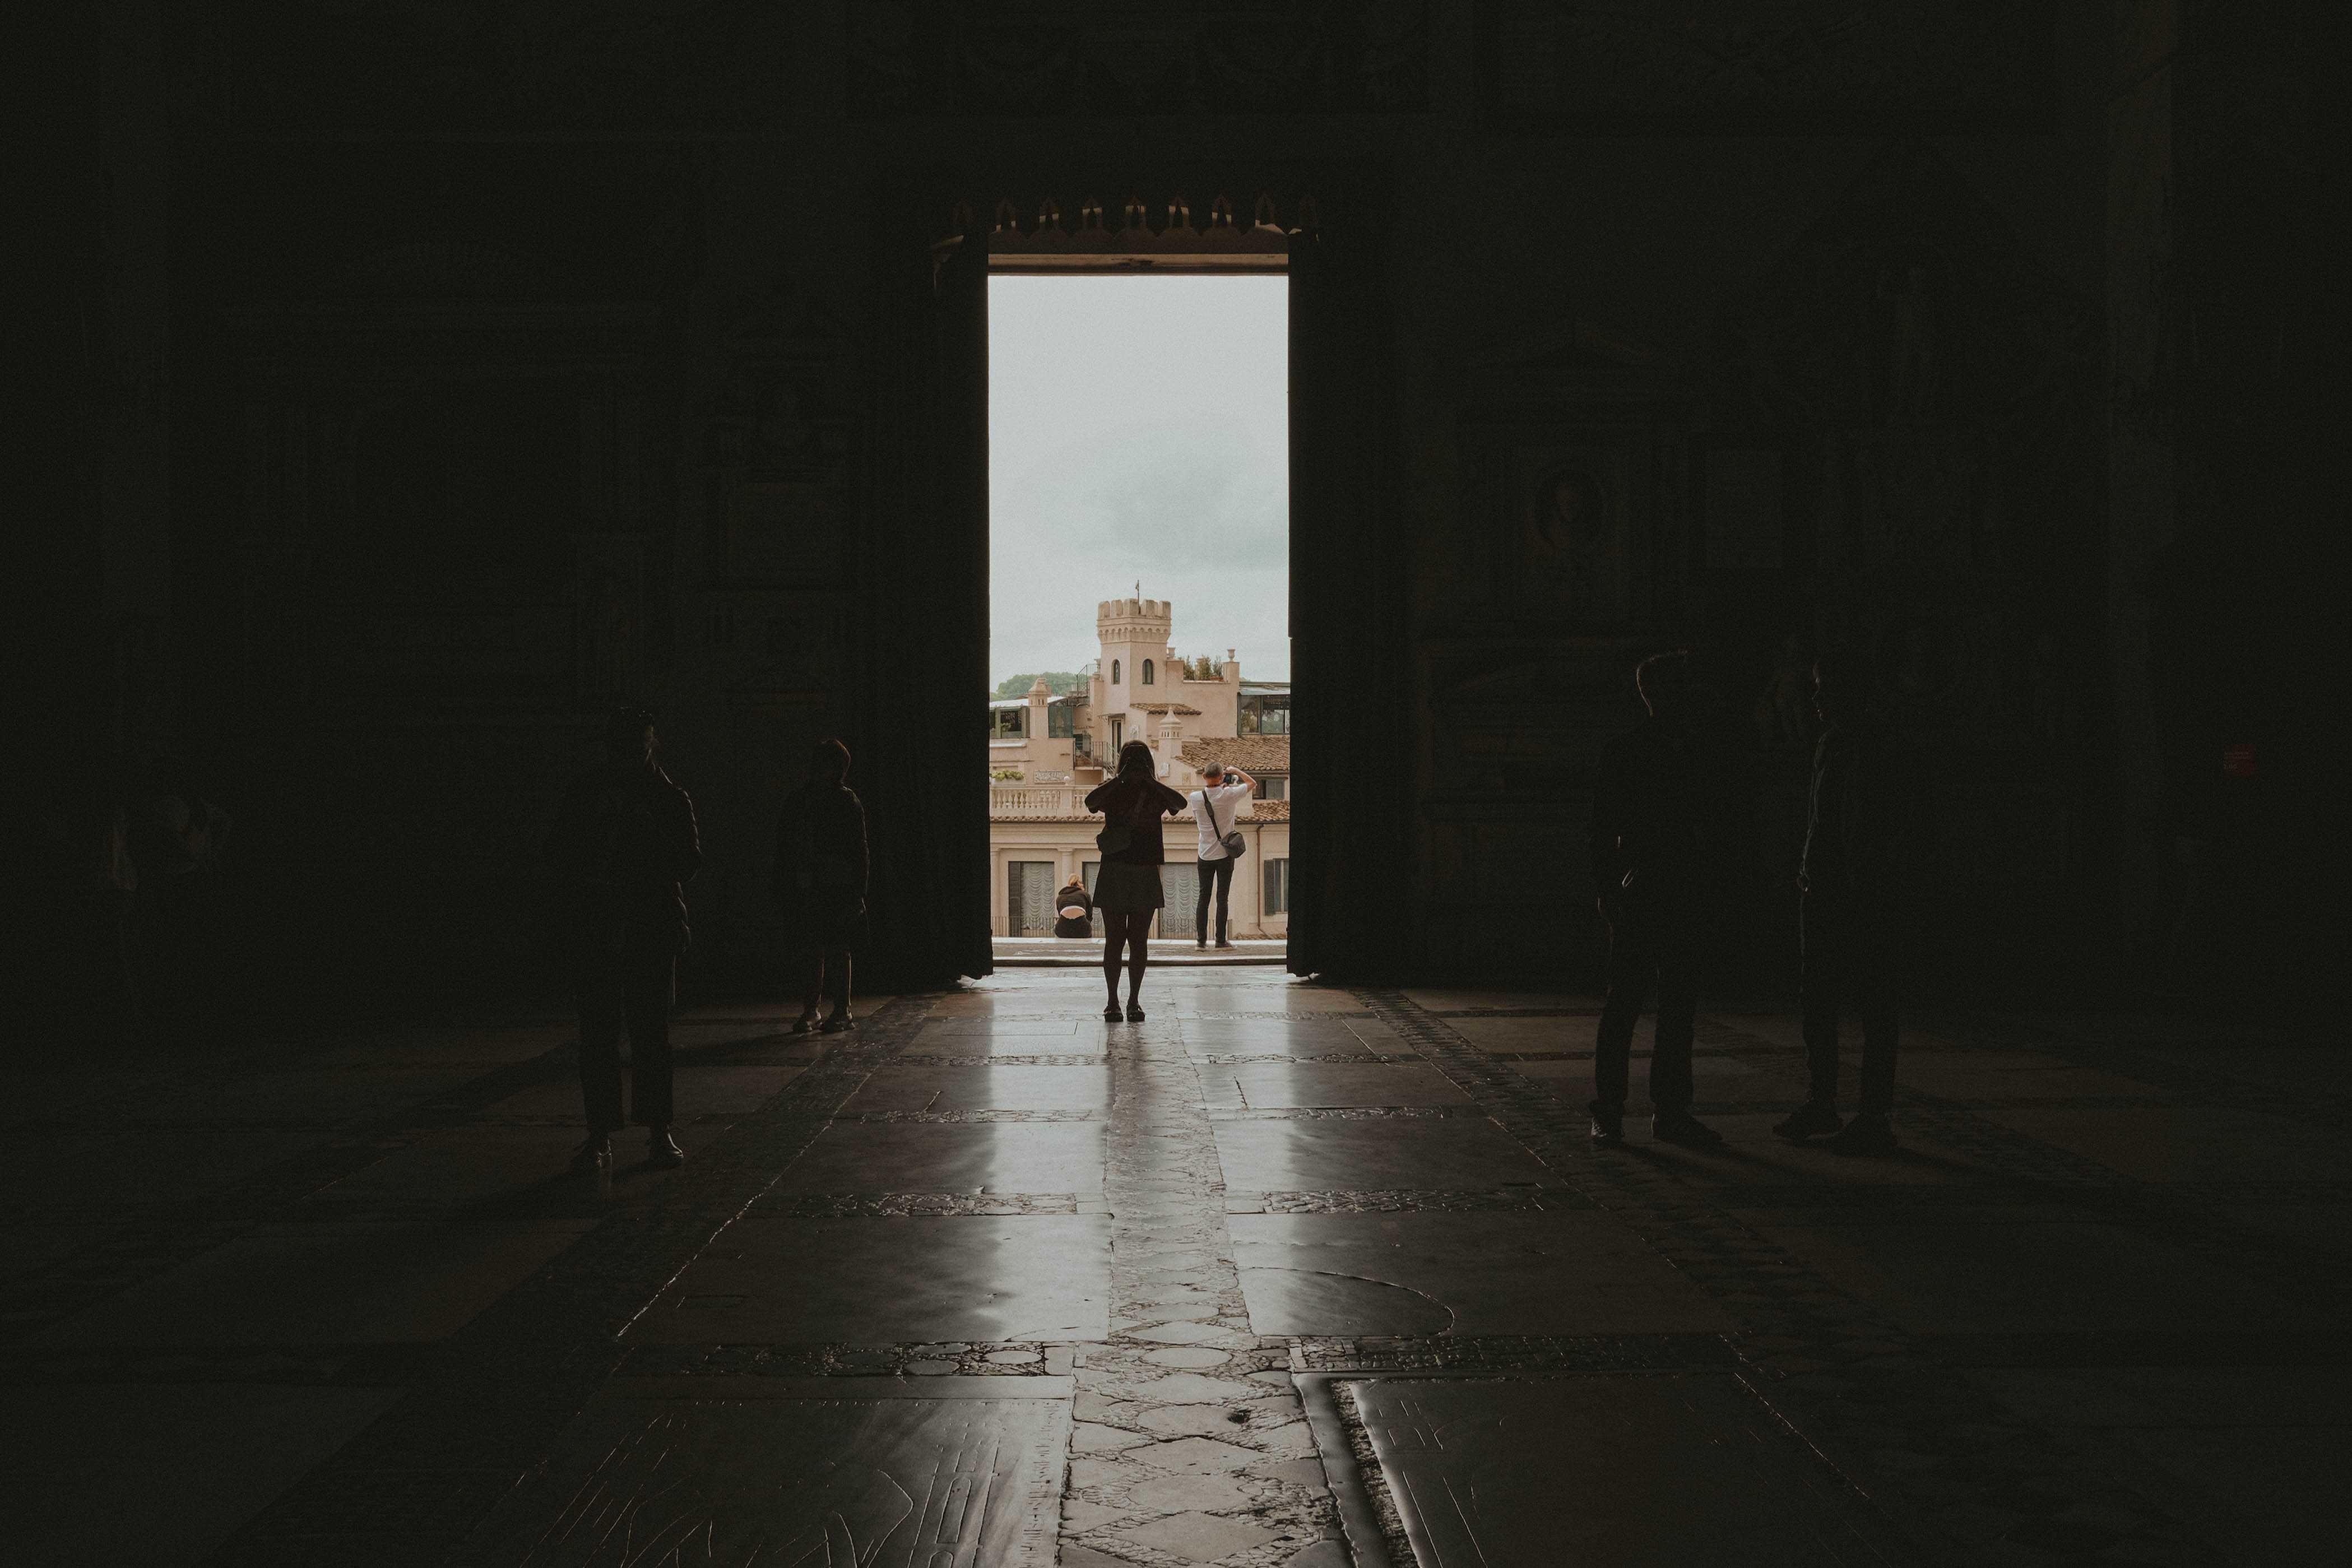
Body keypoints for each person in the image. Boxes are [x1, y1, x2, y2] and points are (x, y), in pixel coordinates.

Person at [1775, 650, 1926, 1156]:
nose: (1816, 699)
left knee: (1873, 1004)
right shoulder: (1831, 743)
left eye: (1826, 688)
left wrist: (1867, 882)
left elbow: (1881, 829)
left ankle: (1871, 1113)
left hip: (1864, 895)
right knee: (1817, 1001)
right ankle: (1825, 1103)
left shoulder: (1879, 745)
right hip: (1824, 890)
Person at [1588, 650, 1736, 1149]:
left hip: (1649, 884)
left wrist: (1609, 890)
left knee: (1632, 1005)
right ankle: (1664, 1111)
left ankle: (1613, 1110)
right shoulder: (1697, 750)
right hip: (1669, 885)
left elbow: (1602, 833)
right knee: (1666, 1007)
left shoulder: (1626, 750)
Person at [546, 707, 702, 1175]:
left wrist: (645, 843)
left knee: (651, 1035)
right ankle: (599, 1134)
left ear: (648, 747)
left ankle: (657, 1130)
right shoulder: (588, 794)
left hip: (648, 926)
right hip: (597, 927)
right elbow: (562, 855)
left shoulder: (667, 797)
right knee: (597, 1038)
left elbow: (688, 862)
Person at [1084, 740, 1188, 1021]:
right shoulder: (1117, 790)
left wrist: (1148, 781)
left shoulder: (1151, 792)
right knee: (1128, 940)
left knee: (1122, 940)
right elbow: (1090, 802)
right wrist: (1122, 780)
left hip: (1122, 870)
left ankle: (1121, 1002)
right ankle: (1125, 1002)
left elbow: (1180, 803)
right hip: (1135, 870)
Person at [773, 738, 869, 1034]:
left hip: (831, 884)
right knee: (816, 948)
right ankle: (823, 1010)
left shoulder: (823, 800)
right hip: (818, 883)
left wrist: (857, 891)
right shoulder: (829, 800)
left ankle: (837, 1010)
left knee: (833, 948)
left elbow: (858, 850)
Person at [1187, 762, 1255, 949]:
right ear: (1221, 777)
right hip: (1225, 854)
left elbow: (1210, 796)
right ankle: (1220, 940)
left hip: (1205, 854)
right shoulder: (1229, 795)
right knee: (1222, 898)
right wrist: (1235, 771)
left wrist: (1219, 785)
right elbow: (1252, 784)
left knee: (1204, 897)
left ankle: (1200, 941)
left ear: (1204, 777)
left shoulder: (1195, 798)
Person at [1052, 875, 1094, 939]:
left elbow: (1060, 913)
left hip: (1063, 929)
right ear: (1077, 884)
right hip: (1082, 928)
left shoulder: (1060, 897)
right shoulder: (1085, 894)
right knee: (1088, 932)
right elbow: (1090, 914)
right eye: (1081, 883)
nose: (1083, 885)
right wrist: (1087, 924)